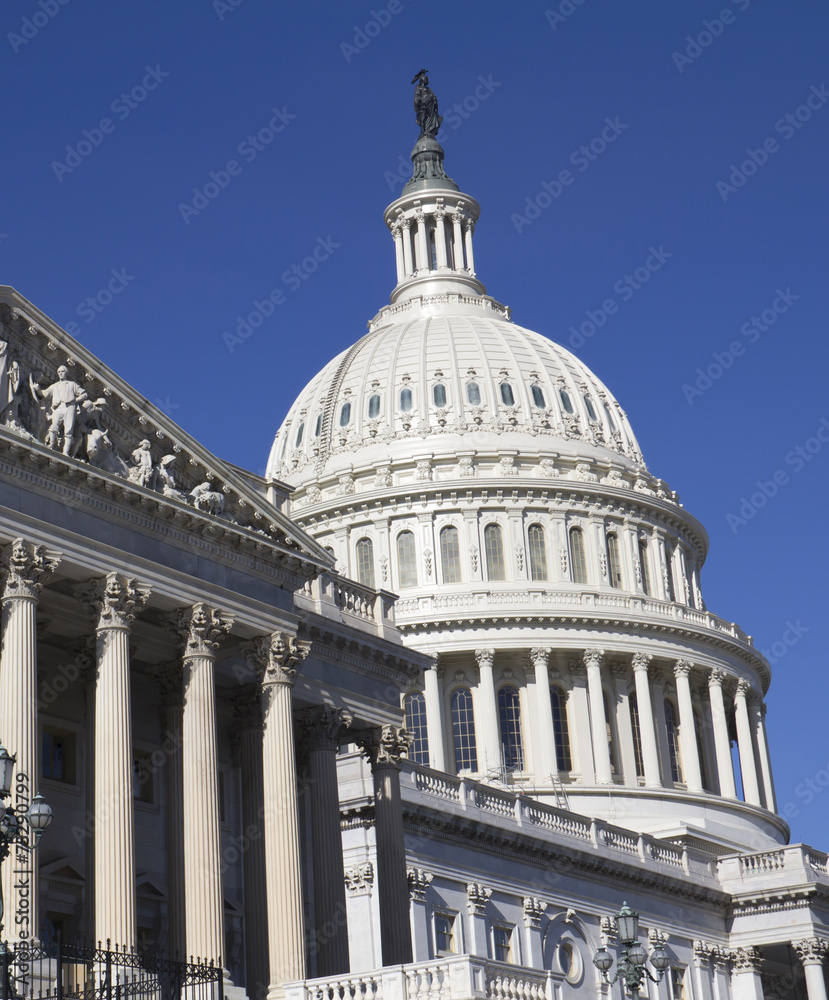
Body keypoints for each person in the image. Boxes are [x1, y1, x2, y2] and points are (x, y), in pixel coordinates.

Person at [32, 366, 88, 455]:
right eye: (59, 372)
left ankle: (65, 452)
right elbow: (45, 394)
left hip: (69, 407)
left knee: (68, 431)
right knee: (53, 426)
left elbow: (84, 394)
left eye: (62, 371)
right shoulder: (55, 385)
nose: (60, 373)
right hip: (58, 407)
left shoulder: (72, 384)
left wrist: (75, 400)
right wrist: (37, 389)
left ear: (67, 373)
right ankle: (51, 445)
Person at [412, 69, 442, 138]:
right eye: (425, 79)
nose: (427, 81)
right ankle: (423, 132)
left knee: (431, 118)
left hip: (431, 105)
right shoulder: (418, 87)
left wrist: (434, 99)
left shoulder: (428, 89)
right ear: (422, 80)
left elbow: (433, 95)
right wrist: (420, 100)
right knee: (423, 117)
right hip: (424, 105)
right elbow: (417, 95)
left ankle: (429, 131)